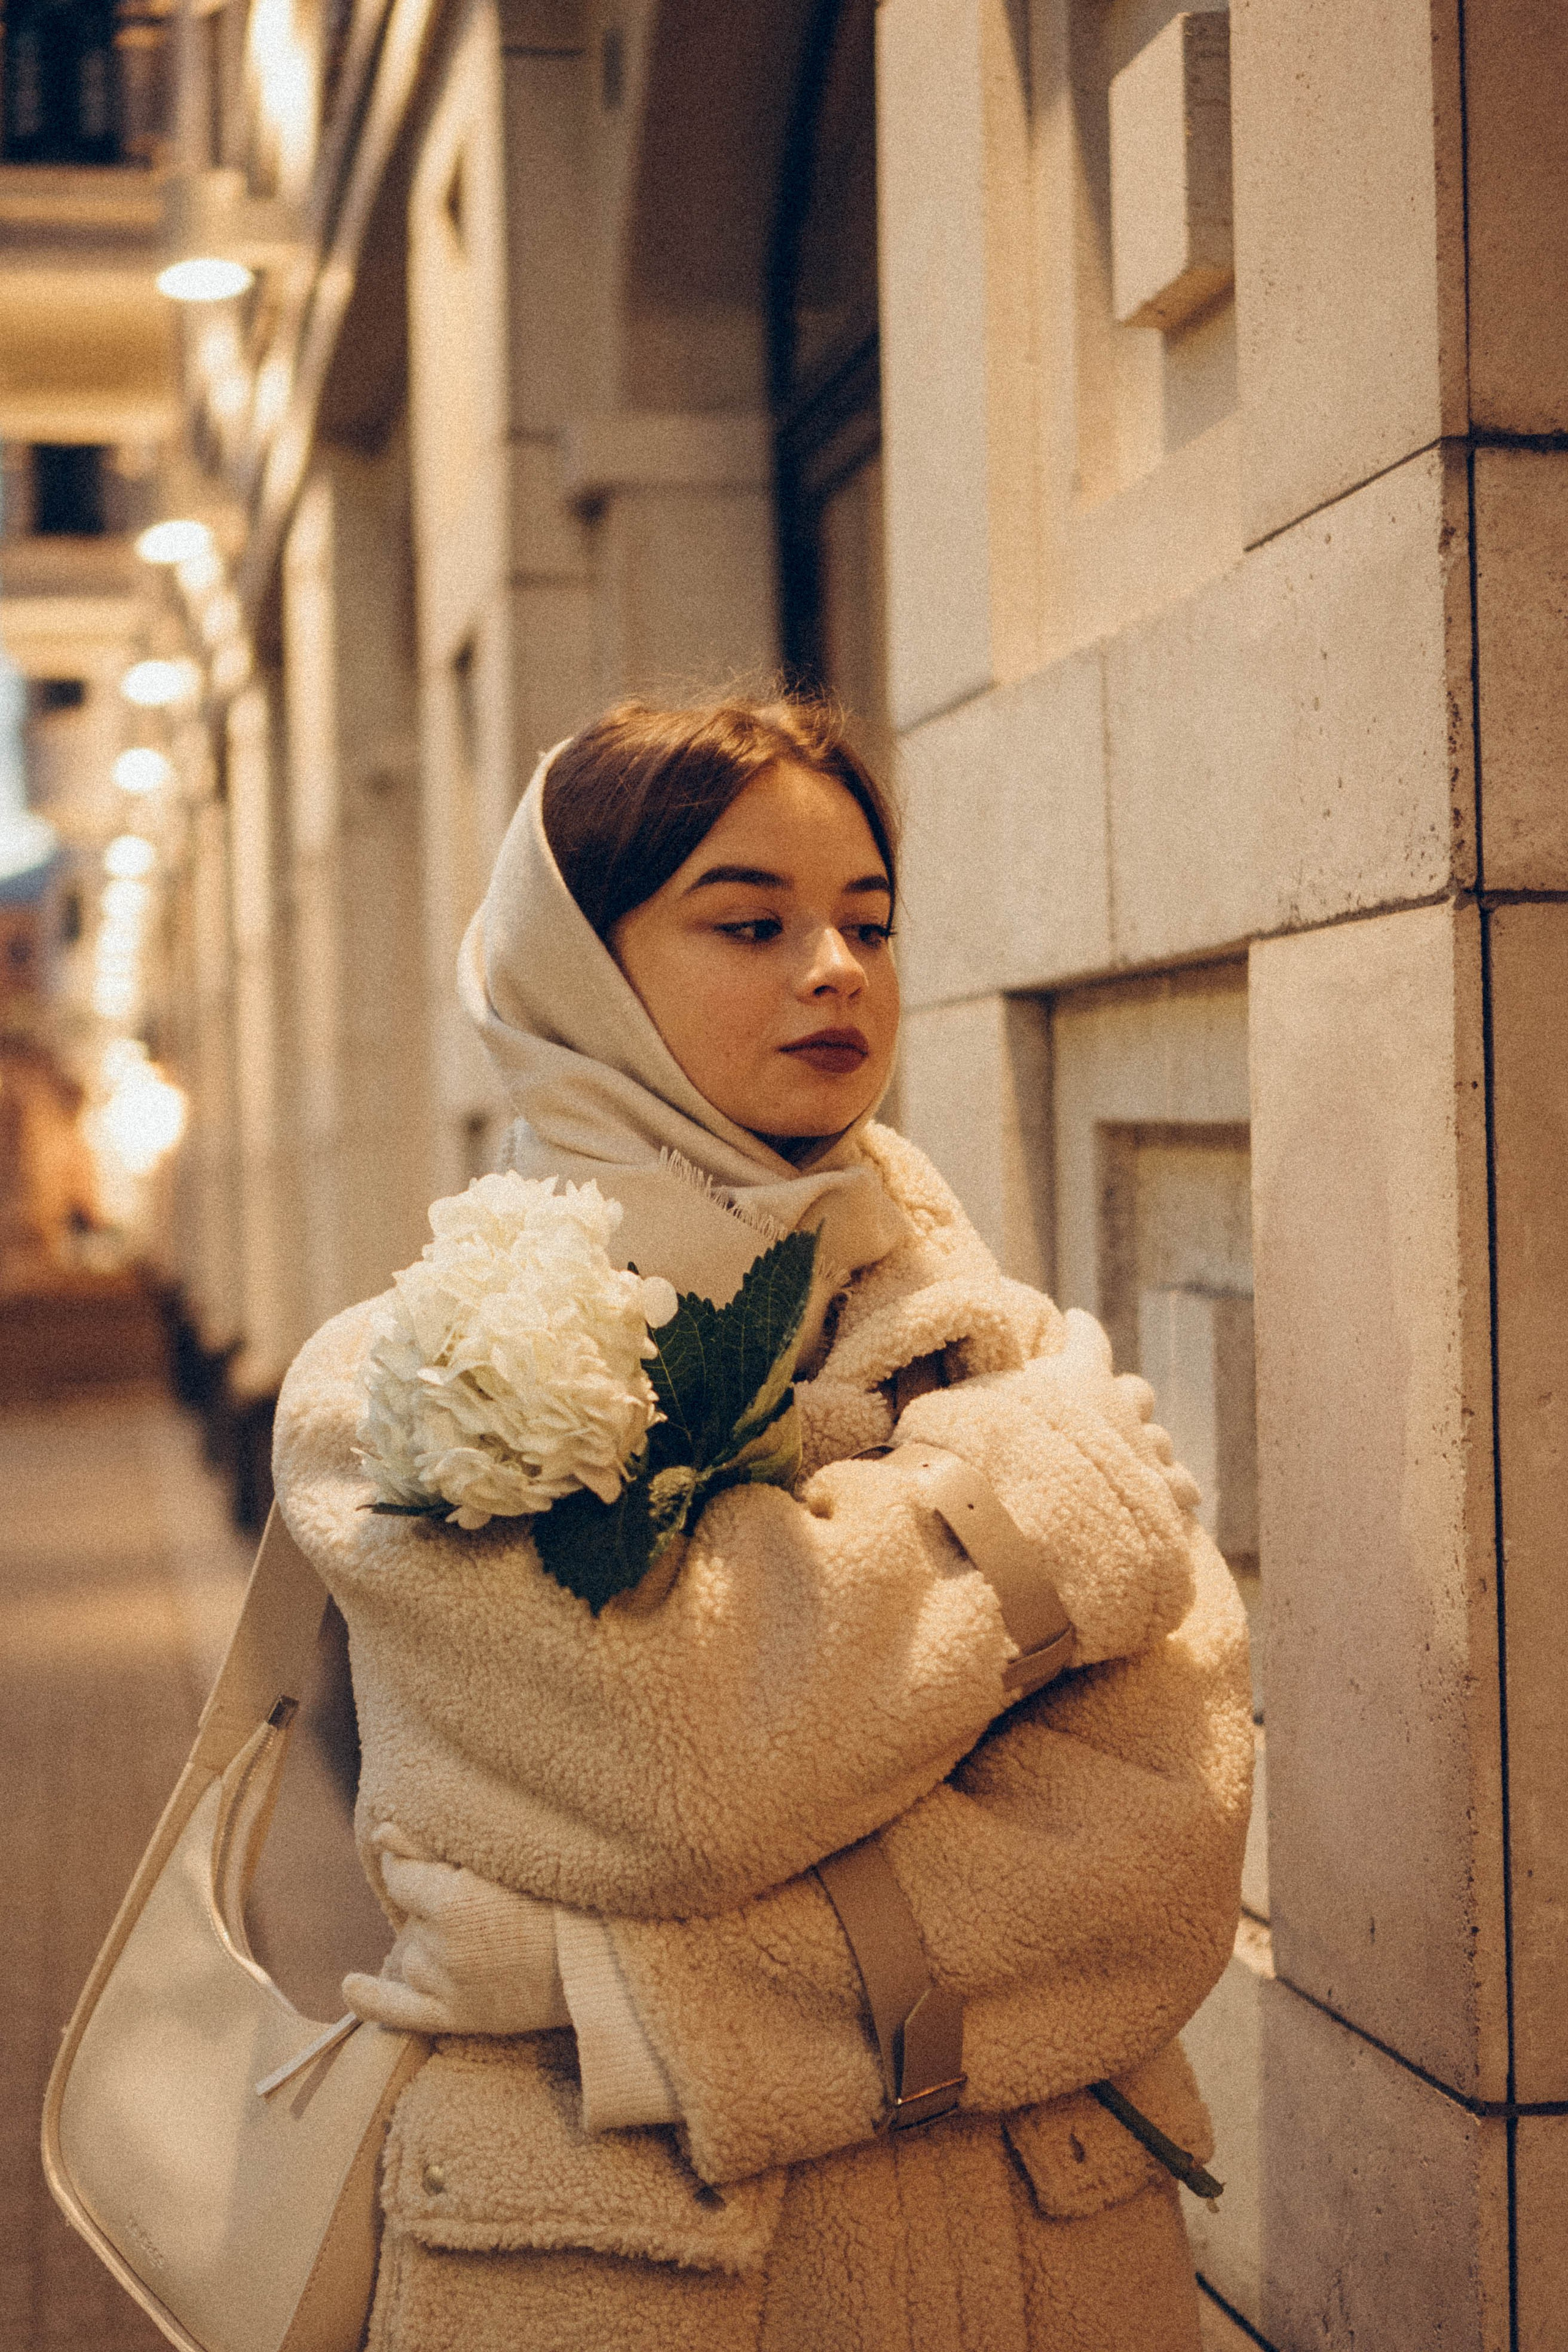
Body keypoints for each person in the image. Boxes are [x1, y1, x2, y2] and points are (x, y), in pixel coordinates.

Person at [271, 692, 1253, 2352]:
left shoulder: (998, 1343)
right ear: (581, 965)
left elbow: (1167, 1855)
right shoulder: (416, 1392)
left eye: (868, 922)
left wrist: (618, 1994)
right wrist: (1022, 1537)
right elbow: (687, 1761)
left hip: (1043, 2267)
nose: (836, 969)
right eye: (753, 921)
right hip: (626, 2278)